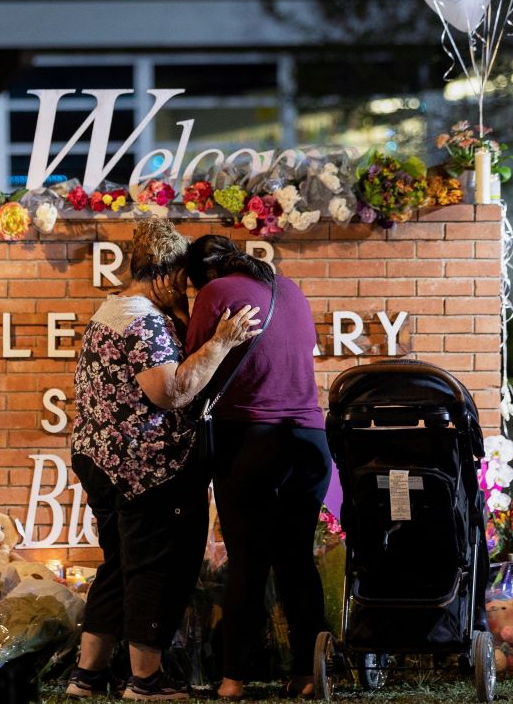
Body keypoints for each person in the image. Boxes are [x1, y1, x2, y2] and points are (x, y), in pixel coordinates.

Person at [67, 218, 260, 701]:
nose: (189, 288)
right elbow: (170, 391)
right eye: (182, 277)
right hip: (143, 467)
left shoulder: (111, 310)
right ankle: (145, 682)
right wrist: (222, 341)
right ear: (164, 271)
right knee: (156, 567)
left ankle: (86, 677)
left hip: (101, 460)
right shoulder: (144, 320)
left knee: (118, 566)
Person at [185, 235, 332, 700]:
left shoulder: (215, 292)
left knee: (248, 562)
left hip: (250, 439)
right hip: (310, 439)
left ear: (201, 275)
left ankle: (233, 678)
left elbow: (194, 366)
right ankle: (309, 674)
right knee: (296, 560)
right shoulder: (288, 288)